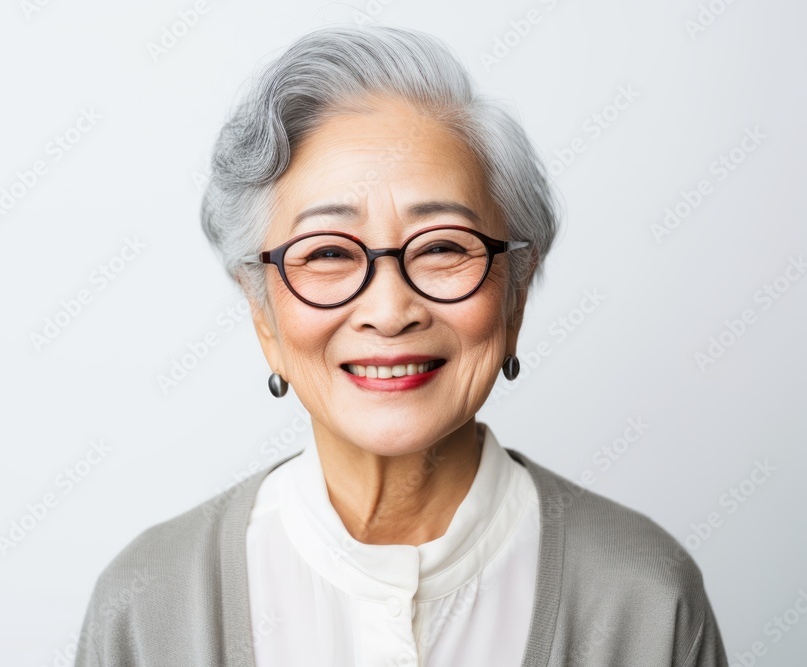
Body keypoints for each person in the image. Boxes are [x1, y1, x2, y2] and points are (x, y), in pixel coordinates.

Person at [73, 24, 728, 666]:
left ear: (517, 294)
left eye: (443, 246)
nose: (389, 311)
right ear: (263, 314)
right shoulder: (149, 608)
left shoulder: (645, 597)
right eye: (327, 252)